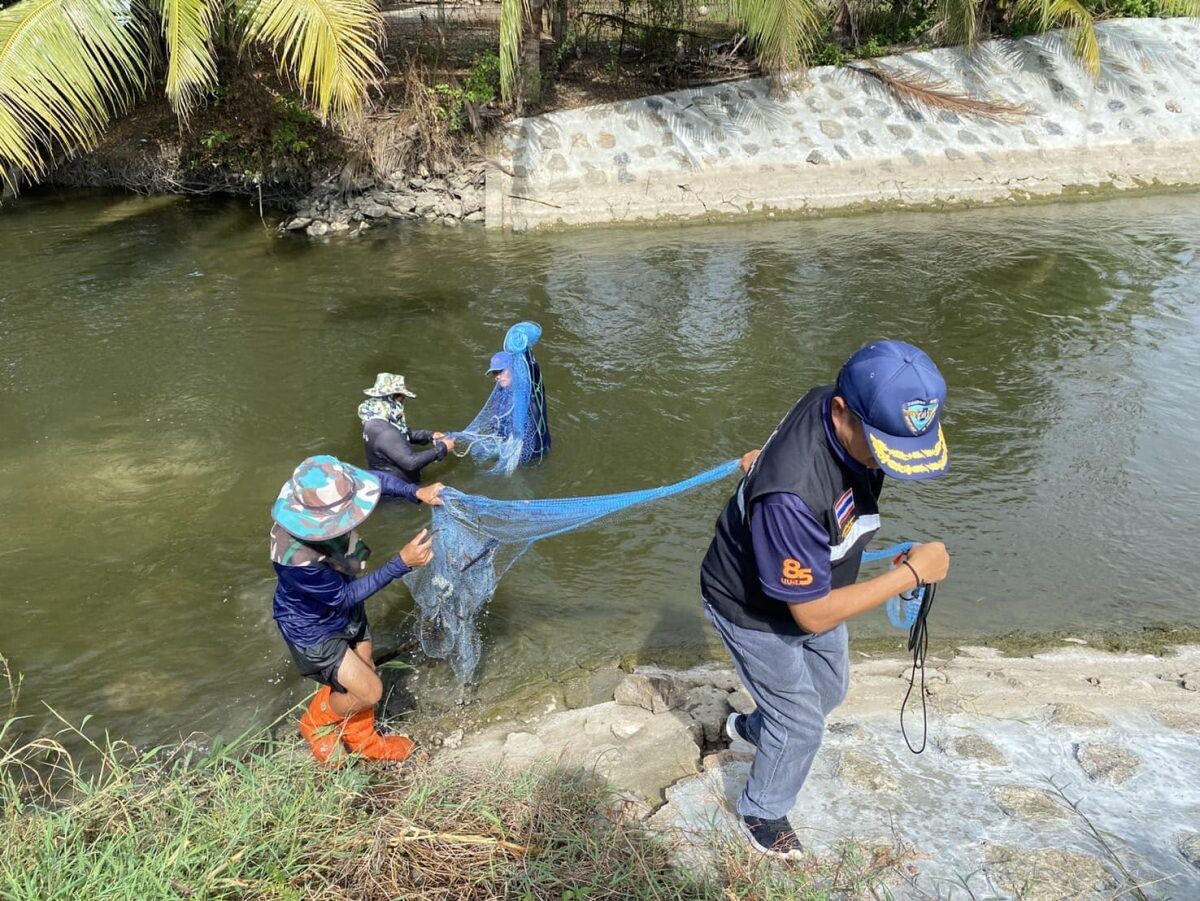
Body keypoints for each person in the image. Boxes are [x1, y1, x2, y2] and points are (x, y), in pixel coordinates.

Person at [700, 339, 952, 859]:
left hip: (821, 579)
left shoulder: (831, 399)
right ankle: (761, 811)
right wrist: (909, 573)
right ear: (841, 412)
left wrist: (761, 457)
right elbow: (810, 614)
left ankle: (750, 727)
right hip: (751, 607)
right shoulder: (791, 497)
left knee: (829, 691)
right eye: (883, 445)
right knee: (801, 720)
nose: (890, 462)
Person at [270, 454, 445, 764]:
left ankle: (363, 740)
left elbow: (376, 482)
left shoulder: (333, 486)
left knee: (365, 671)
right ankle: (316, 722)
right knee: (371, 691)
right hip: (312, 627)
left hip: (343, 603)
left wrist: (416, 493)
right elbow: (343, 597)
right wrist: (401, 563)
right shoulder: (294, 558)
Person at [360, 373, 455, 485]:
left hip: (384, 479)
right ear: (393, 397)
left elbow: (400, 434)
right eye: (402, 398)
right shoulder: (385, 431)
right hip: (398, 490)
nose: (403, 402)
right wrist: (442, 448)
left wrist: (429, 435)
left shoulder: (375, 419)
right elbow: (411, 463)